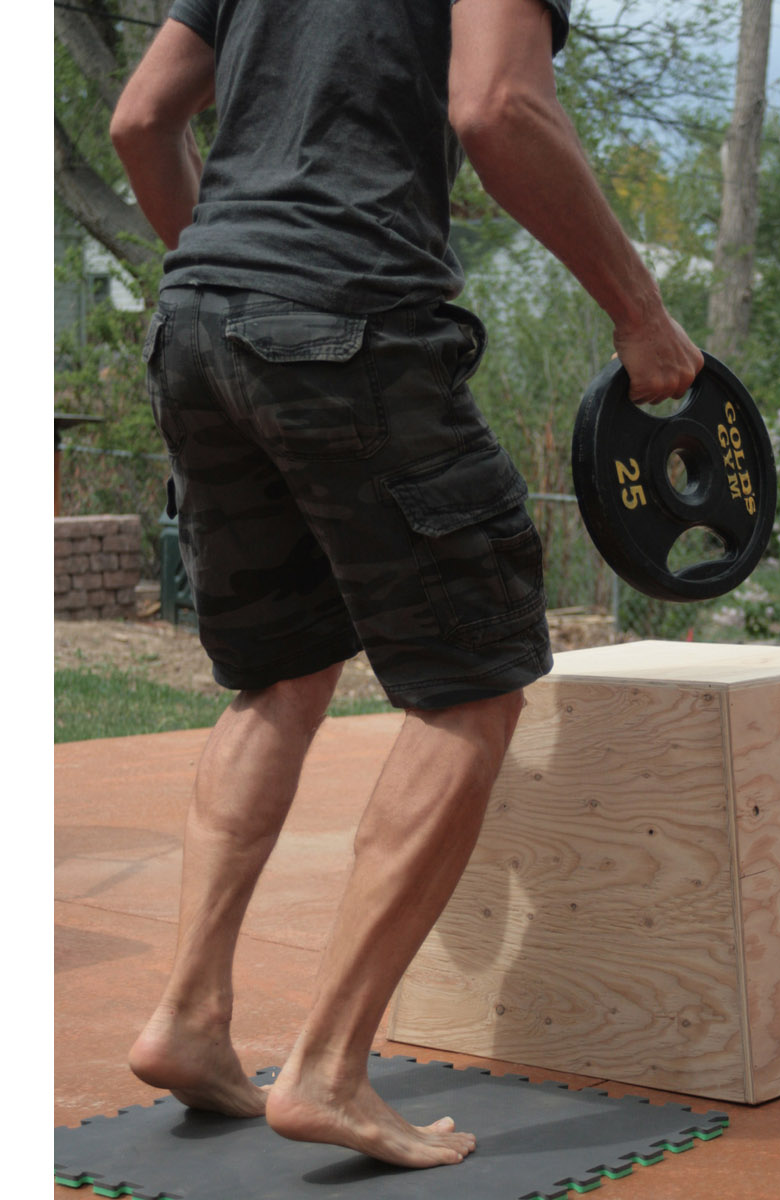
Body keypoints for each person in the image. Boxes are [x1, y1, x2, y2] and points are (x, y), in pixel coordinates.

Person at [108, 0, 702, 1169]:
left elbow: (140, 119)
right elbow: (500, 105)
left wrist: (234, 283)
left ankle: (188, 1015)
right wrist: (642, 314)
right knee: (472, 682)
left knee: (279, 674)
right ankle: (328, 1069)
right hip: (352, 318)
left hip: (195, 324)